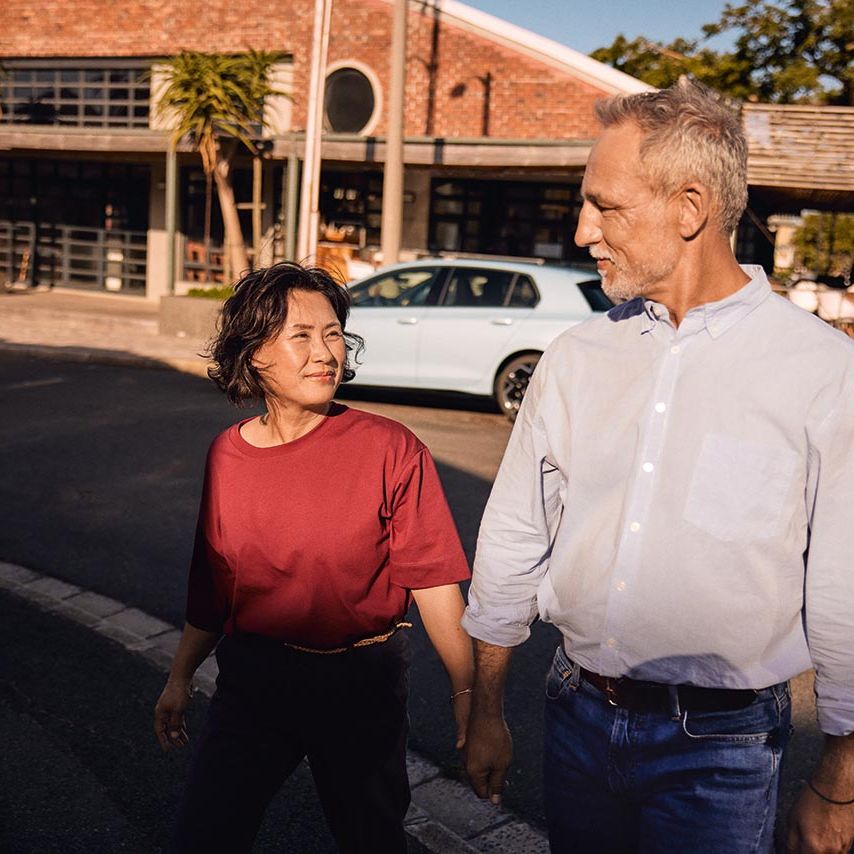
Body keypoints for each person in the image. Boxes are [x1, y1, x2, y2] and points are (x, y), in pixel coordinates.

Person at [461, 80, 854, 853]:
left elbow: (845, 586)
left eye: (605, 206)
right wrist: (486, 709)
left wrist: (839, 780)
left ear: (689, 208)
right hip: (574, 718)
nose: (582, 231)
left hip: (724, 750)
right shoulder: (577, 356)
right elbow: (513, 535)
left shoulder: (822, 371)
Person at [154, 262, 473, 853]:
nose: (325, 351)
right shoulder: (227, 453)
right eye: (301, 335)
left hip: (360, 686)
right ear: (254, 355)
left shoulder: (391, 447)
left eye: (333, 333)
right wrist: (179, 677)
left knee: (370, 839)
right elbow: (215, 581)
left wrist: (470, 698)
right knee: (205, 833)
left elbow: (434, 586)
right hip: (254, 680)